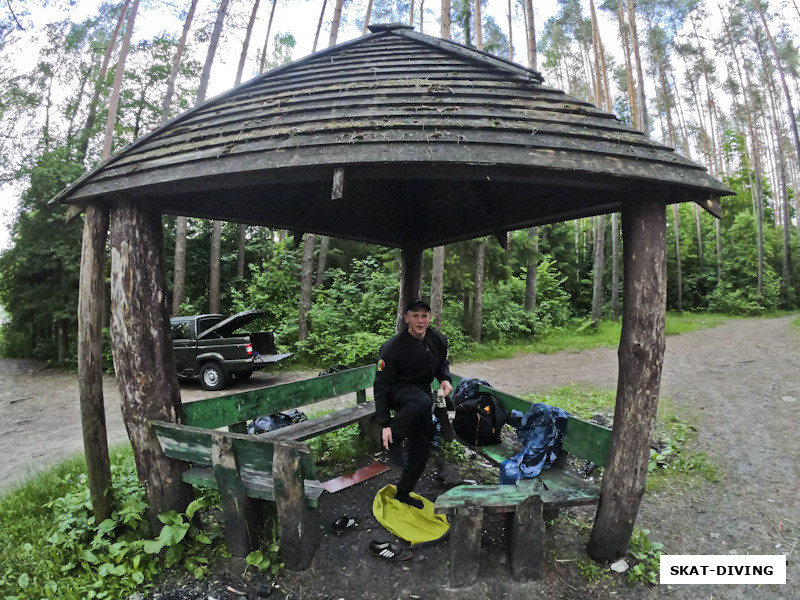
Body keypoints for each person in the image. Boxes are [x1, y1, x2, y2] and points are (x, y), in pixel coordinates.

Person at [374, 298, 453, 508]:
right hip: (397, 392)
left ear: (430, 318)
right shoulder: (392, 348)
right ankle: (394, 439)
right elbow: (380, 386)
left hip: (421, 399)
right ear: (406, 318)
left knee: (422, 450)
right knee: (422, 400)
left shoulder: (437, 340)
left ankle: (403, 493)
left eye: (424, 316)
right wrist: (384, 424)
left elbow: (442, 364)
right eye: (415, 315)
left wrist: (445, 379)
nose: (420, 320)